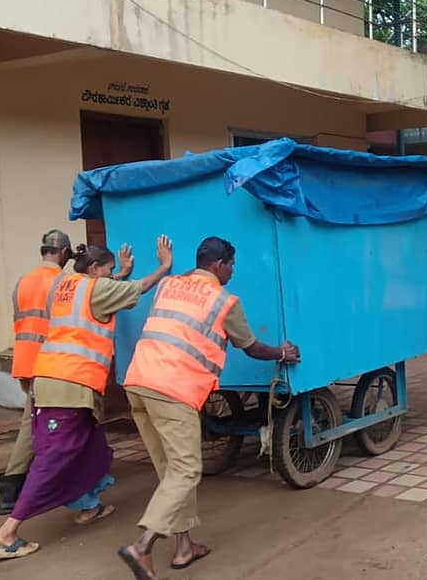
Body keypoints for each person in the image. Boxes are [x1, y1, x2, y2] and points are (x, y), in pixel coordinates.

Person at [117, 236, 300, 580]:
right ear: (219, 265)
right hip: (173, 389)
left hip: (138, 382)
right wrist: (282, 353)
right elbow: (251, 347)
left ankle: (184, 547)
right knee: (186, 470)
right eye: (231, 265)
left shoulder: (169, 285)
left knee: (171, 471)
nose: (233, 272)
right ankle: (142, 546)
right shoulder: (224, 301)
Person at [0, 236, 173, 560]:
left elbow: (101, 292)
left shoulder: (66, 285)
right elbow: (138, 289)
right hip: (69, 385)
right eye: (109, 270)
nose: (111, 275)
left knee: (92, 450)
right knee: (53, 460)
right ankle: (9, 531)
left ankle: (89, 506)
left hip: (52, 379)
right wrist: (164, 266)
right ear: (96, 268)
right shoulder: (95, 289)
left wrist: (119, 273)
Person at [0, 230, 134, 516]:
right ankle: (20, 491)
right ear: (63, 254)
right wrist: (122, 277)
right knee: (51, 432)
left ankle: (17, 488)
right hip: (55, 364)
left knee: (35, 424)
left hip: (26, 359)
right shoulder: (63, 282)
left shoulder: (23, 281)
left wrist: (118, 275)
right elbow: (90, 296)